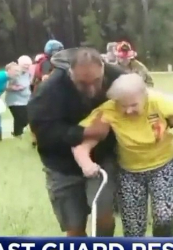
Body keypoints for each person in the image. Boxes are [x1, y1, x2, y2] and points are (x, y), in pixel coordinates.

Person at [72, 73, 173, 237]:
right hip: (129, 172)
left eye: (133, 104)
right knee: (134, 230)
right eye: (123, 105)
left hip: (164, 166)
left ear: (145, 96)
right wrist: (85, 163)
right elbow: (81, 142)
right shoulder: (108, 110)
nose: (128, 110)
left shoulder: (159, 102)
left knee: (165, 218)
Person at [27, 48, 125, 237]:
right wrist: (86, 132)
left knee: (102, 213)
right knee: (74, 227)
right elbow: (44, 133)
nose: (91, 90)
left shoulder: (119, 78)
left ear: (103, 69)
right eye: (82, 84)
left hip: (102, 158)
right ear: (70, 74)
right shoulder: (50, 90)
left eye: (96, 82)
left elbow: (143, 103)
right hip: (61, 164)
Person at [6, 55, 33, 138]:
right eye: (25, 65)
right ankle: (17, 134)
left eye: (28, 65)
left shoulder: (28, 73)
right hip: (14, 100)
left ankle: (17, 133)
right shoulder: (15, 73)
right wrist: (15, 88)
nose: (27, 67)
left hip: (25, 100)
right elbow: (6, 86)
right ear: (20, 64)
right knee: (22, 118)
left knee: (23, 118)